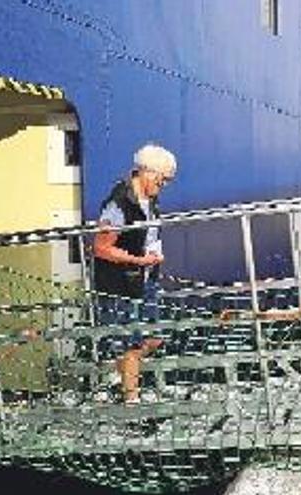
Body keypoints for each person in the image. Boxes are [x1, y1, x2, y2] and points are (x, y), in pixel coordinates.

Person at [93, 143, 177, 402]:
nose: (162, 186)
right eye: (162, 181)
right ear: (148, 173)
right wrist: (140, 260)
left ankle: (117, 378)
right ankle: (131, 401)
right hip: (121, 283)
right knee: (132, 344)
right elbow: (101, 248)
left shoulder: (149, 199)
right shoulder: (119, 203)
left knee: (153, 338)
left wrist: (151, 260)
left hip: (146, 278)